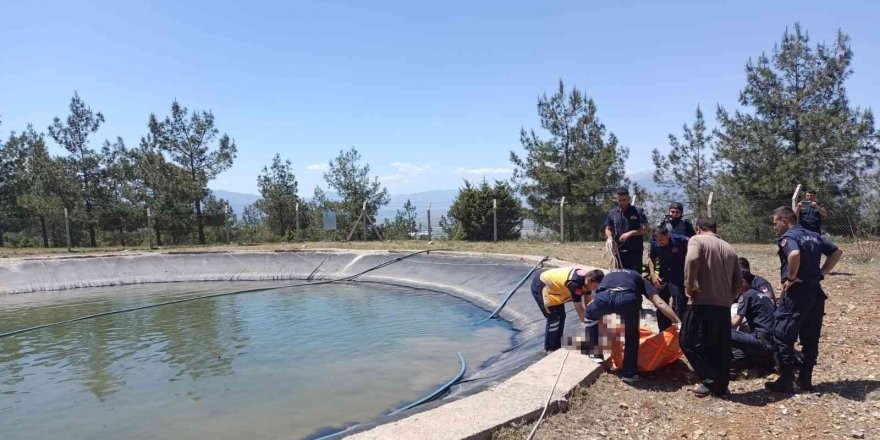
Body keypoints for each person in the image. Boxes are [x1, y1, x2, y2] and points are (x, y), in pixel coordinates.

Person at [765, 206, 842, 393]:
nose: (775, 227)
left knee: (782, 335)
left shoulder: (789, 237)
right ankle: (805, 379)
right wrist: (821, 273)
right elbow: (836, 252)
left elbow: (794, 254)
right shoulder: (813, 234)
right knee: (810, 338)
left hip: (796, 293)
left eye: (776, 223)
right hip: (815, 292)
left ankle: (786, 379)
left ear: (785, 220)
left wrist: (791, 278)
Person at [583, 268, 680, 383]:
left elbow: (599, 301)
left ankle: (595, 354)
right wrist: (677, 321)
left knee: (589, 317)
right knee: (632, 336)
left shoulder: (608, 276)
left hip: (604, 297)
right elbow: (658, 302)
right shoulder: (640, 279)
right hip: (627, 300)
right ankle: (629, 374)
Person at [681, 216, 742, 397]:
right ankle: (721, 386)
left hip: (701, 302)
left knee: (688, 341)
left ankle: (709, 381)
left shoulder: (697, 240)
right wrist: (729, 296)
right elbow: (739, 281)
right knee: (719, 346)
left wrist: (690, 285)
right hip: (723, 305)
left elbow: (692, 260)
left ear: (698, 228)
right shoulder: (729, 248)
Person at [531, 267, 605, 352]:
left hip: (556, 289)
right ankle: (549, 349)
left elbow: (588, 301)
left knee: (562, 316)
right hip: (542, 284)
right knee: (553, 319)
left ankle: (557, 346)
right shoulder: (575, 284)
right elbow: (579, 308)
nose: (595, 289)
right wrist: (587, 325)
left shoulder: (588, 279)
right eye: (595, 286)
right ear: (589, 280)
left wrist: (594, 318)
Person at [731, 274, 776, 374]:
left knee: (724, 333)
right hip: (773, 342)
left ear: (743, 282)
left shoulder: (747, 295)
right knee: (739, 356)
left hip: (762, 341)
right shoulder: (759, 294)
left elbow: (735, 322)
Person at [647, 226, 688, 331]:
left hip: (678, 274)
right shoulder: (654, 243)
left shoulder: (680, 240)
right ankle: (664, 330)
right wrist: (653, 275)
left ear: (668, 235)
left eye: (661, 239)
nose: (659, 242)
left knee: (679, 300)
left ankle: (682, 328)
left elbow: (693, 242)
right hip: (662, 275)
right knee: (661, 302)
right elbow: (651, 258)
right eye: (657, 240)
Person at [604, 188, 648, 271]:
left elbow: (644, 229)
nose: (622, 202)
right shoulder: (612, 212)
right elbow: (608, 228)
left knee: (634, 275)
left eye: (624, 200)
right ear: (617, 199)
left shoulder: (638, 211)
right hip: (618, 250)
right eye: (620, 200)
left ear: (629, 199)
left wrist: (630, 233)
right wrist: (609, 237)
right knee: (620, 275)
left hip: (634, 251)